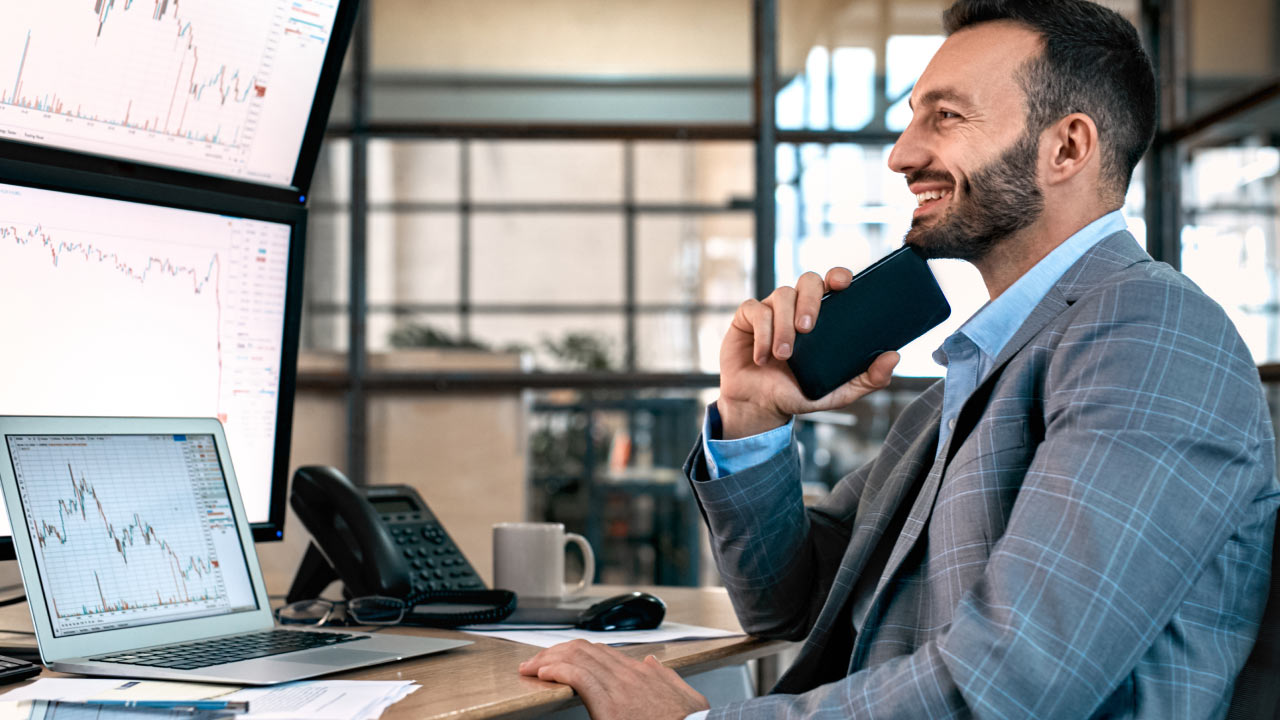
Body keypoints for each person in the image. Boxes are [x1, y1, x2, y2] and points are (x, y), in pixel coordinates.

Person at [519, 0, 1280, 717]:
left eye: (945, 117)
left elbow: (1015, 685)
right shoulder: (979, 372)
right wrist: (753, 417)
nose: (901, 155)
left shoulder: (1151, 335)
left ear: (1067, 147)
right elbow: (792, 599)